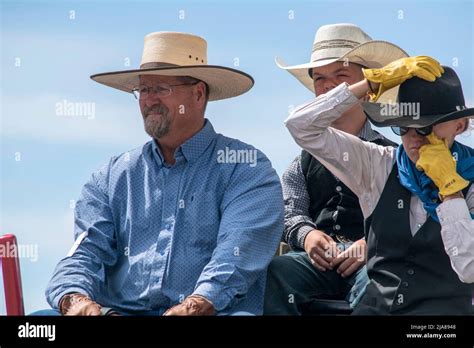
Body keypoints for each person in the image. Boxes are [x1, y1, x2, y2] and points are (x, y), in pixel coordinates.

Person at [38, 31, 284, 316]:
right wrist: (74, 298)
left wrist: (194, 306)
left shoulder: (247, 168)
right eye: (143, 90)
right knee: (37, 325)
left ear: (198, 93)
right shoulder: (110, 177)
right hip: (117, 313)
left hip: (211, 313)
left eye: (161, 89)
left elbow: (236, 253)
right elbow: (85, 252)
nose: (149, 100)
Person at [285, 55, 474, 314]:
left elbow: (469, 268)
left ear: (459, 125)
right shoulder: (380, 163)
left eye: (426, 128)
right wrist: (370, 83)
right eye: (404, 129)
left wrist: (450, 189)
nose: (414, 140)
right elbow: (300, 126)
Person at [264, 23, 406, 315]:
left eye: (341, 76)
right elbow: (290, 212)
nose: (328, 86)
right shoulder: (302, 161)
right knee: (274, 272)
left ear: (364, 86)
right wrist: (307, 236)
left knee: (381, 283)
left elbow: (410, 217)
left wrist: (373, 244)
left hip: (373, 260)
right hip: (316, 263)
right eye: (320, 79)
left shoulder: (393, 155)